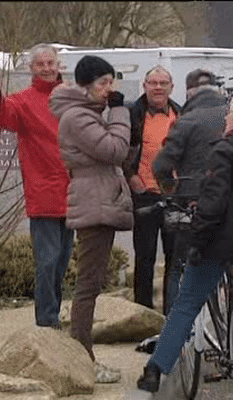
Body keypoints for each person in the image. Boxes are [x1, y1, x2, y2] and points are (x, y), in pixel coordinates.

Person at [137, 89, 233, 392]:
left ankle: (156, 369)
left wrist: (196, 243)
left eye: (230, 111)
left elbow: (213, 207)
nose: (226, 116)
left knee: (187, 302)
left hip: (224, 240)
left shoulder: (225, 150)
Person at [0, 44, 74, 330]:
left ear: (58, 65)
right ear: (31, 69)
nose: (46, 68)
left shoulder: (72, 97)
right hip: (44, 194)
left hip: (75, 192)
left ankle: (52, 313)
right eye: (40, 64)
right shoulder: (24, 101)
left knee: (62, 261)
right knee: (48, 261)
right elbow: (4, 114)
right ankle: (47, 320)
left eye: (50, 63)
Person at [49, 55, 133, 383]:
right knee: (88, 285)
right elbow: (113, 150)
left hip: (100, 200)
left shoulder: (88, 113)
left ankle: (82, 354)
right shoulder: (77, 117)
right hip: (94, 203)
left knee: (92, 282)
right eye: (102, 83)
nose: (108, 90)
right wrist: (121, 113)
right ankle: (83, 358)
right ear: (85, 86)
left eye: (111, 82)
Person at [151, 68, 228, 315]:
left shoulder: (186, 121)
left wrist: (169, 192)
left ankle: (173, 327)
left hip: (193, 202)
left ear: (189, 92)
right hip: (232, 202)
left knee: (179, 267)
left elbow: (161, 166)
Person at [125, 65, 182, 315]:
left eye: (163, 83)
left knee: (175, 258)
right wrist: (130, 176)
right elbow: (120, 149)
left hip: (175, 196)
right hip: (144, 195)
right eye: (153, 83)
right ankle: (143, 313)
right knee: (144, 259)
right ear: (145, 86)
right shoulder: (132, 114)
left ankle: (172, 314)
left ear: (171, 87)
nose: (158, 87)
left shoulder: (182, 114)